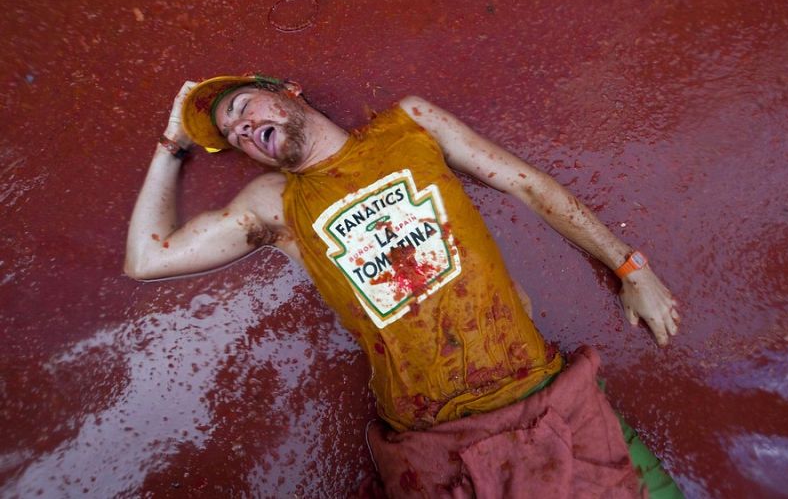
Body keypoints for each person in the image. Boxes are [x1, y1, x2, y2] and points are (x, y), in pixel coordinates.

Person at [125, 75, 682, 497]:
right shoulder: (274, 203)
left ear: (288, 92)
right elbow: (147, 258)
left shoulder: (408, 124)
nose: (241, 129)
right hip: (437, 452)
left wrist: (631, 268)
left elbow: (527, 185)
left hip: (550, 400)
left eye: (243, 108)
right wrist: (172, 143)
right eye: (232, 135)